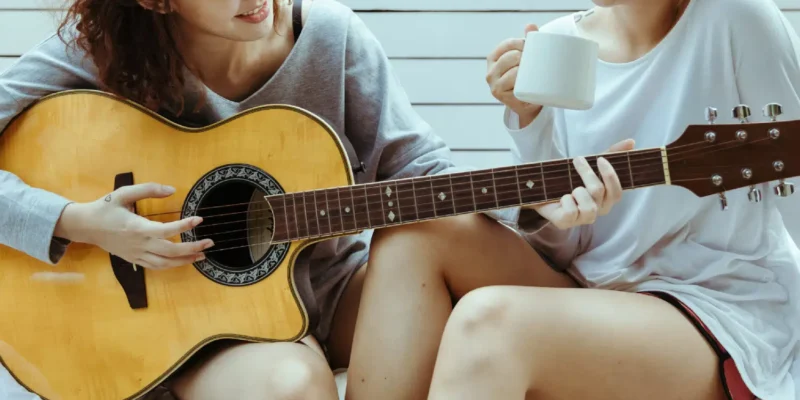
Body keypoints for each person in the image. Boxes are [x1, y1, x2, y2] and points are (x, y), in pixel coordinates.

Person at [0, 0, 605, 399]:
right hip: (192, 324)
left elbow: (421, 172)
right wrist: (79, 223)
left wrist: (535, 203)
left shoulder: (332, 37)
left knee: (430, 230)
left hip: (335, 294)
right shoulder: (99, 54)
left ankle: (605, 344)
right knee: (291, 387)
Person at [418, 0, 799, 399]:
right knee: (415, 237)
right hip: (596, 290)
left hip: (716, 308)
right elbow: (564, 247)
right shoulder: (558, 43)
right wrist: (529, 120)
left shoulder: (736, 18)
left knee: (490, 322)